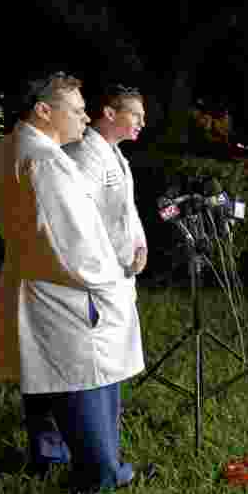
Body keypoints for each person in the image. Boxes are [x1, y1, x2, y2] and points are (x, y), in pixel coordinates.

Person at [0, 72, 149, 492]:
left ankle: (51, 455)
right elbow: (74, 243)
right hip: (71, 293)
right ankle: (102, 474)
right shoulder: (47, 162)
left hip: (37, 283)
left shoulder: (5, 150)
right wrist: (116, 278)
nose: (84, 116)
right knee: (87, 381)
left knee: (48, 377)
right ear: (43, 110)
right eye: (75, 110)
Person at [63, 83, 148, 460]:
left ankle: (106, 437)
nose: (142, 123)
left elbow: (123, 211)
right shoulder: (85, 156)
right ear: (110, 113)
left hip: (121, 273)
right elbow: (83, 223)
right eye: (136, 115)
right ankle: (93, 448)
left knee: (114, 358)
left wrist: (139, 245)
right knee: (96, 363)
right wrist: (115, 261)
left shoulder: (115, 154)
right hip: (99, 278)